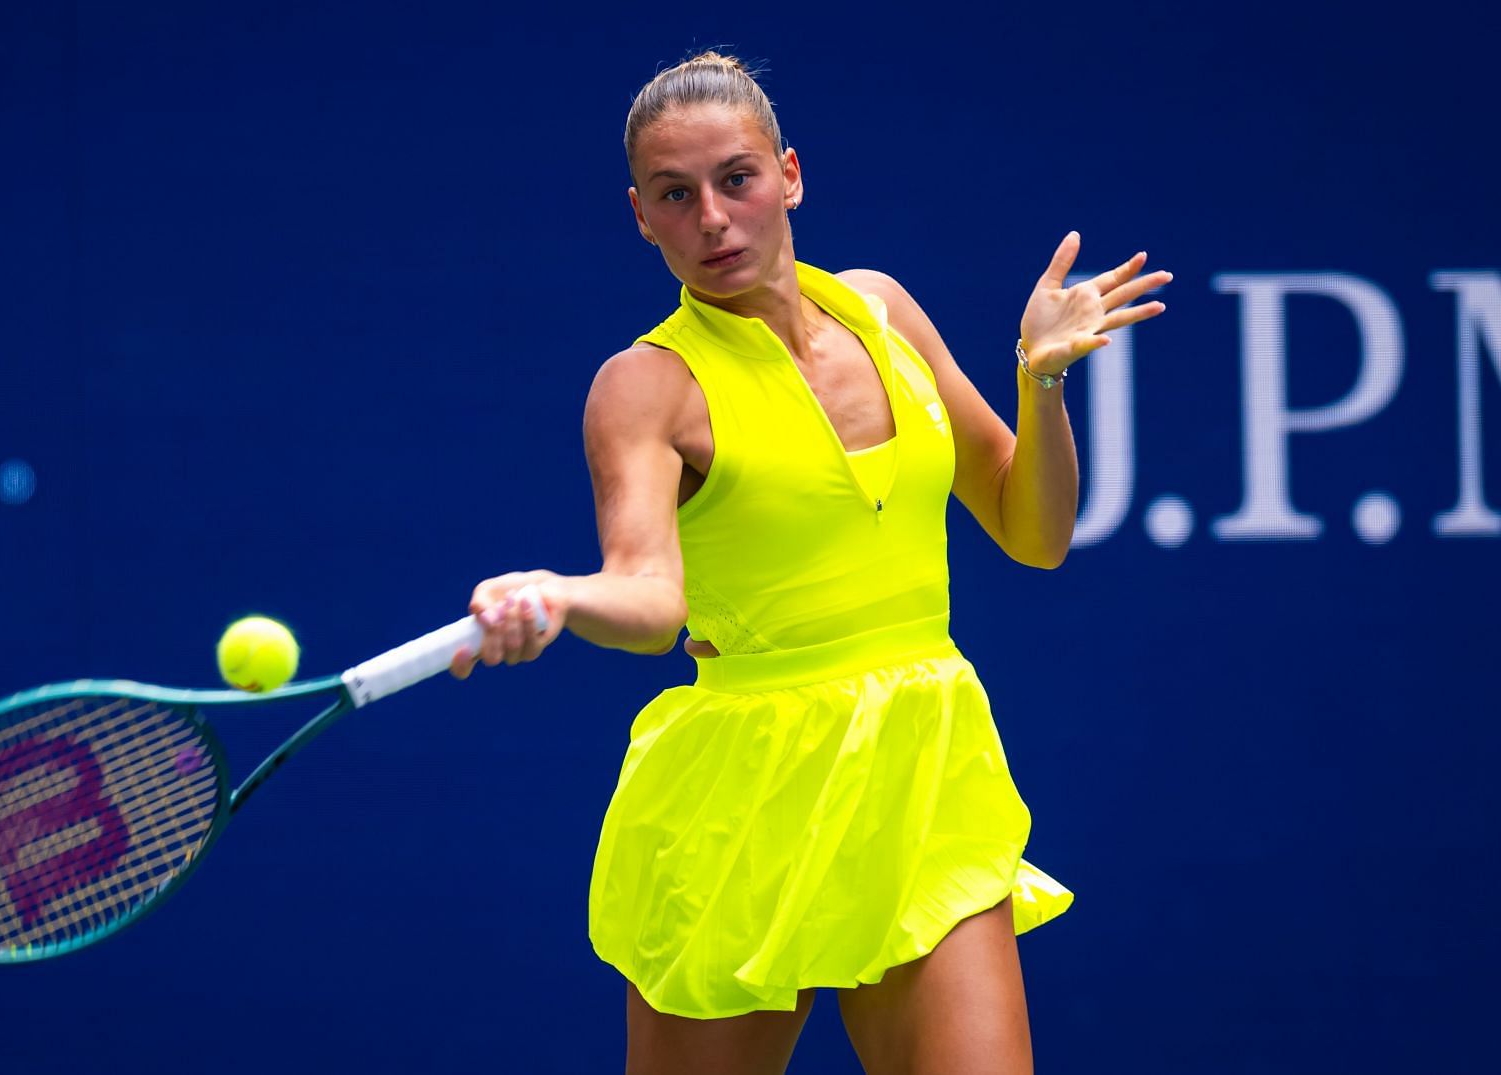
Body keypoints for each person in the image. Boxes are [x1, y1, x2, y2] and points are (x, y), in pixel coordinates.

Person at [449, 51, 1169, 1075]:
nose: (712, 217)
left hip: (924, 772)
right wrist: (559, 594)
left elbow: (1032, 531)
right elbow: (653, 597)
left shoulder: (883, 309)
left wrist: (1038, 380)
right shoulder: (645, 387)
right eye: (674, 195)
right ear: (641, 217)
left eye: (736, 179)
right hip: (744, 800)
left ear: (788, 175)